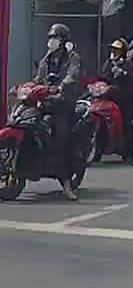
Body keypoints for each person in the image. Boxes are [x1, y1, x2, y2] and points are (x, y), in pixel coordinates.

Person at [33, 23, 83, 200]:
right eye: (50, 37)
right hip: (46, 102)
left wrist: (63, 85)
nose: (51, 41)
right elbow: (39, 77)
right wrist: (30, 86)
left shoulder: (72, 57)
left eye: (55, 37)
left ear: (63, 40)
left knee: (61, 141)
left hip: (64, 104)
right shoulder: (46, 58)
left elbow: (72, 73)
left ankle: (67, 186)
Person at [101, 39, 133, 164]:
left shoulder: (127, 64)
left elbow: (132, 79)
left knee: (126, 124)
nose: (114, 52)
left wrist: (122, 73)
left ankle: (132, 154)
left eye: (117, 50)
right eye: (113, 49)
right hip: (109, 97)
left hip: (124, 99)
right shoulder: (108, 63)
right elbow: (103, 77)